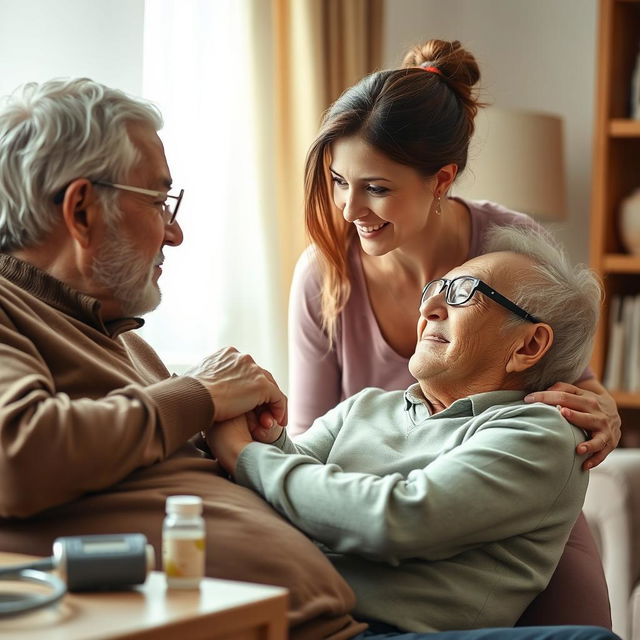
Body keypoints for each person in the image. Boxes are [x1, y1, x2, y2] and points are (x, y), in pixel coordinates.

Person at [0, 77, 367, 639]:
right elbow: (16, 455)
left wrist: (250, 444)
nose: (175, 232)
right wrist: (199, 394)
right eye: (158, 202)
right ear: (81, 211)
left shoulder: (121, 339)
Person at [288, 39, 615, 626]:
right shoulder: (324, 275)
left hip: (502, 517)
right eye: (339, 181)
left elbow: (566, 379)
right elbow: (307, 435)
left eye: (377, 187)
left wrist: (604, 410)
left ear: (441, 180)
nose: (348, 209)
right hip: (380, 521)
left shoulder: (508, 244)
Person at [208, 226, 619, 640]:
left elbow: (397, 520)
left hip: (384, 631)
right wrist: (263, 433)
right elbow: (282, 482)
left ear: (528, 346)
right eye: (436, 289)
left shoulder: (542, 432)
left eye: (464, 292)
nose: (432, 307)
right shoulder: (365, 406)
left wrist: (246, 454)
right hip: (291, 607)